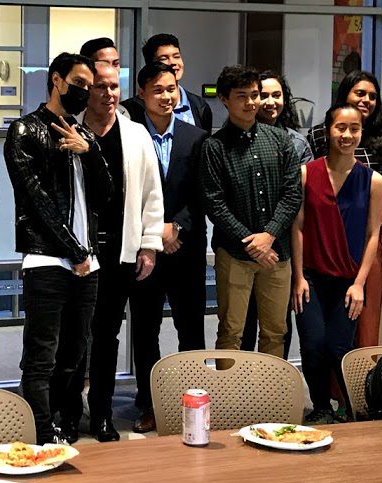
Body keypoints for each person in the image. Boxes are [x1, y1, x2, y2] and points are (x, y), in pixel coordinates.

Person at [4, 53, 112, 444]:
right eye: (79, 84)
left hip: (87, 261)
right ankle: (40, 430)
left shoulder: (89, 138)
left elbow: (107, 197)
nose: (86, 92)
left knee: (75, 354)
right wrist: (75, 251)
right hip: (47, 258)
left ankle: (67, 424)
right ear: (56, 80)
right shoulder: (25, 131)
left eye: (91, 86)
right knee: (42, 355)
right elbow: (36, 201)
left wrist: (91, 152)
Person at [54, 62, 162, 442]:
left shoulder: (135, 135)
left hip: (119, 252)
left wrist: (149, 245)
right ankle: (68, 415)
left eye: (114, 86)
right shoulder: (70, 128)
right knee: (73, 337)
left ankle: (100, 413)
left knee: (106, 335)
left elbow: (152, 195)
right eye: (100, 87)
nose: (109, 94)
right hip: (75, 252)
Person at [290, 104, 382, 423]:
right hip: (312, 279)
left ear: (361, 132)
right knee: (313, 344)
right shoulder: (307, 173)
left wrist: (360, 284)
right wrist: (299, 277)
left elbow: (374, 234)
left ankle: (346, 407)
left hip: (349, 280)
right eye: (340, 128)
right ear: (328, 130)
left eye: (354, 128)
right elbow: (298, 226)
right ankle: (320, 406)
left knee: (339, 347)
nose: (347, 135)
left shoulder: (373, 181)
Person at [126, 61, 205, 435]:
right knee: (145, 330)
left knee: (191, 330)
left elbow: (205, 194)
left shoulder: (197, 137)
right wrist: (155, 233)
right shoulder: (130, 136)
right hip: (146, 251)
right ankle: (150, 404)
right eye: (158, 90)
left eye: (171, 88)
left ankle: (196, 402)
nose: (167, 96)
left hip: (185, 250)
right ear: (141, 94)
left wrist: (179, 227)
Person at [201, 65, 301, 358]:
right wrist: (252, 242)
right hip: (234, 254)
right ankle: (230, 400)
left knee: (275, 331)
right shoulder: (214, 147)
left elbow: (293, 193)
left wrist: (268, 236)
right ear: (224, 99)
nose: (251, 102)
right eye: (241, 96)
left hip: (277, 253)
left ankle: (268, 398)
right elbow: (214, 203)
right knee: (231, 332)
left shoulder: (280, 140)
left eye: (254, 95)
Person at [308, 70, 382, 346]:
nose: (366, 100)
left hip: (367, 233)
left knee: (365, 317)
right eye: (360, 93)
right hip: (326, 234)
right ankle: (332, 387)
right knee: (329, 328)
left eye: (372, 96)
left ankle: (359, 384)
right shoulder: (319, 133)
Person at [240, 70, 312, 355]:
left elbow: (298, 199)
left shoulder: (297, 143)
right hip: (244, 247)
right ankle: (240, 393)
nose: (270, 102)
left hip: (282, 247)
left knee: (278, 327)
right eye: (263, 95)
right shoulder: (235, 138)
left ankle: (272, 392)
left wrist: (271, 236)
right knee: (242, 325)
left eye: (277, 95)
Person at [123, 33, 213, 133]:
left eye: (176, 56)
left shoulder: (199, 106)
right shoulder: (129, 110)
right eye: (164, 58)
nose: (173, 62)